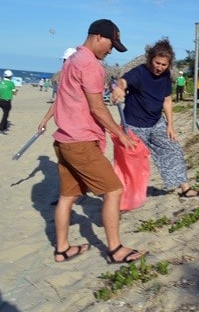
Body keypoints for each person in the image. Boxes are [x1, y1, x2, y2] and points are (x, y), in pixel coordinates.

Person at [37, 19, 146, 264]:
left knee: (67, 197)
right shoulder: (90, 65)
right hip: (81, 143)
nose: (110, 50)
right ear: (98, 36)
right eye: (110, 44)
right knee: (114, 189)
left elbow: (64, 100)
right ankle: (115, 249)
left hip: (63, 141)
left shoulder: (72, 60)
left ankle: (62, 249)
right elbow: (97, 108)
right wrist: (121, 135)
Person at [111, 38, 199, 198]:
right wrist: (119, 88)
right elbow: (124, 81)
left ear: (168, 64)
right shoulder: (140, 72)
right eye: (157, 63)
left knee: (174, 150)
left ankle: (185, 189)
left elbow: (167, 100)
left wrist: (170, 125)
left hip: (156, 122)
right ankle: (124, 197)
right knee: (132, 163)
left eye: (163, 64)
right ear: (150, 59)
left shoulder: (166, 76)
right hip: (134, 126)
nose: (159, 67)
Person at [0, 70, 17, 135]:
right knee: (5, 115)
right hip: (6, 101)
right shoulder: (11, 83)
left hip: (0, 100)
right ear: (10, 76)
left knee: (5, 114)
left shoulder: (0, 82)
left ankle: (5, 127)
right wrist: (16, 91)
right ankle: (1, 130)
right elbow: (14, 93)